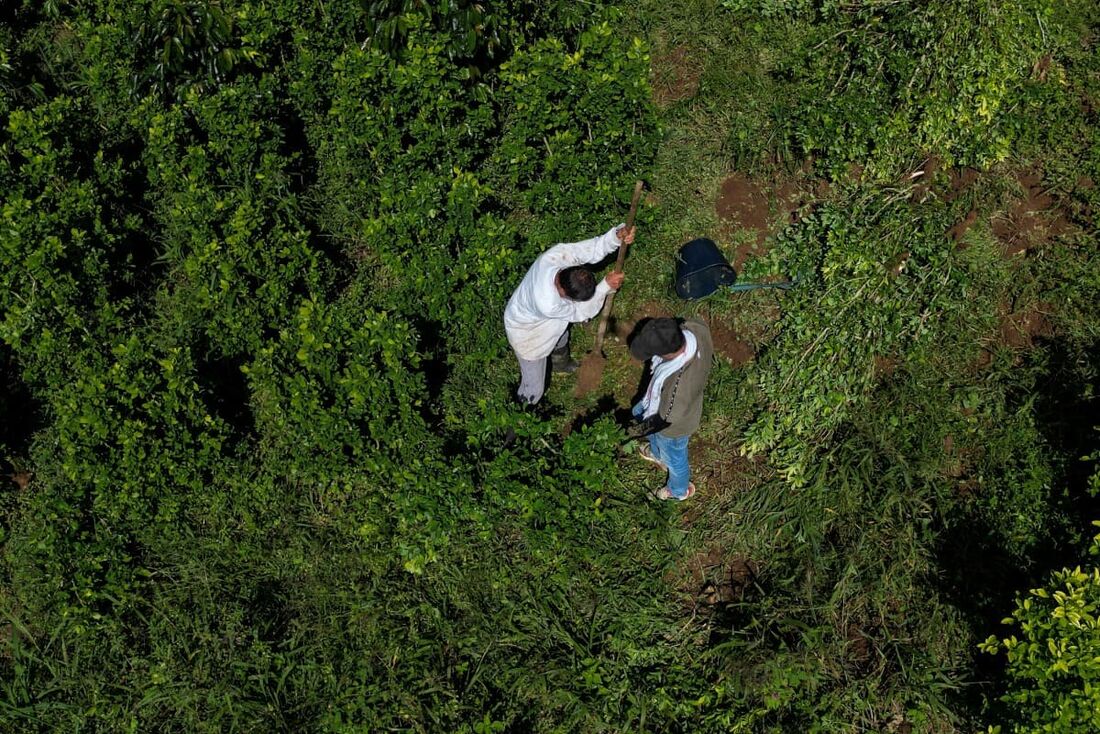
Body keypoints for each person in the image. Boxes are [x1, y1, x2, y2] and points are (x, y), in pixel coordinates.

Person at [504, 224, 635, 405]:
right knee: (534, 389)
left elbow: (589, 249)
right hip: (527, 333)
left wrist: (615, 237)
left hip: (545, 319)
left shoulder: (556, 257)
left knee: (561, 337)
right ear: (565, 295)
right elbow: (581, 312)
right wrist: (605, 286)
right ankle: (521, 413)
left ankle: (560, 364)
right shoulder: (547, 303)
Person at [629, 317, 713, 501]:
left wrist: (634, 431)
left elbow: (662, 421)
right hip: (680, 409)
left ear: (665, 354)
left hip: (674, 428)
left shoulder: (679, 388)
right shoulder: (696, 328)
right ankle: (658, 454)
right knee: (638, 412)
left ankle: (679, 490)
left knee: (675, 459)